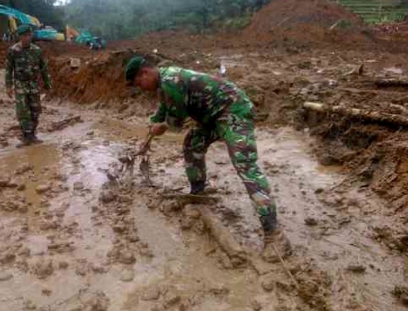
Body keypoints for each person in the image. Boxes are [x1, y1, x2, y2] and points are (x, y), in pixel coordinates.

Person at [124, 56, 291, 262]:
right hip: (213, 117)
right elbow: (164, 108)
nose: (141, 88)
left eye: (140, 83)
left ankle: (275, 235)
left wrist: (161, 127)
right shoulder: (164, 79)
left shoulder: (172, 81)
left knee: (244, 164)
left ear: (145, 73)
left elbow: (175, 123)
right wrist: (153, 124)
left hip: (233, 111)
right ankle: (198, 192)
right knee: (193, 143)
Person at [5, 24, 52, 147]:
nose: (27, 38)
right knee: (23, 110)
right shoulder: (13, 51)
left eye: (29, 35)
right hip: (20, 83)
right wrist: (8, 86)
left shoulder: (37, 51)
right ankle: (26, 136)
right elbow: (8, 69)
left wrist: (48, 84)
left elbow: (44, 69)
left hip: (33, 84)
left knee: (35, 110)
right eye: (24, 35)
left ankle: (32, 134)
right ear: (20, 36)